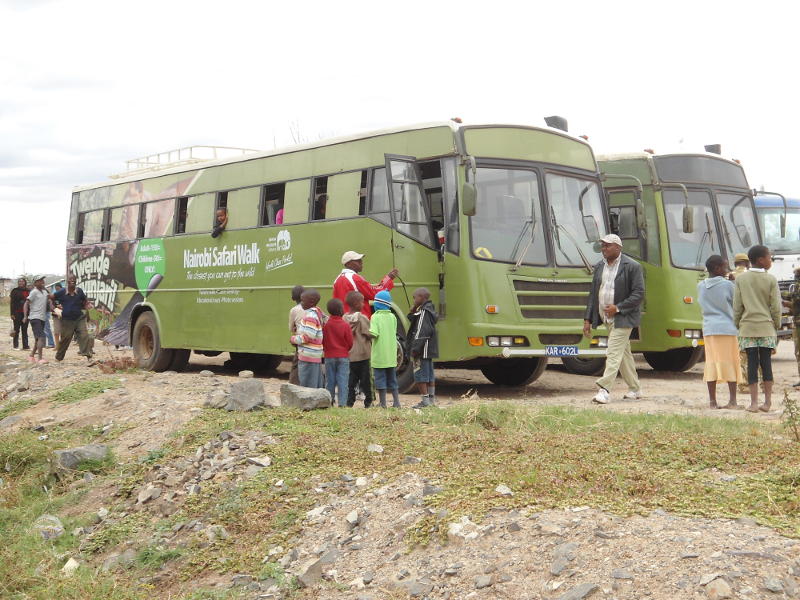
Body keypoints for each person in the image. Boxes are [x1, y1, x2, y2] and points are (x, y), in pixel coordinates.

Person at [583, 234, 645, 404]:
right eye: (602, 246)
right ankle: (635, 388)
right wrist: (587, 319)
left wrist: (618, 308)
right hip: (606, 317)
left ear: (618, 247)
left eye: (608, 246)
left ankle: (604, 390)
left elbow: (639, 294)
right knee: (624, 354)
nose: (604, 249)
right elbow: (593, 294)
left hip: (624, 318)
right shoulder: (599, 267)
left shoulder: (632, 266)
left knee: (613, 351)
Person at [733, 245, 781, 413]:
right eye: (769, 257)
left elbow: (737, 306)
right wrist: (776, 324)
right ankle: (767, 402)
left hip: (747, 328)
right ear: (761, 260)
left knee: (751, 364)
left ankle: (753, 403)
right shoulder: (771, 280)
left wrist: (738, 323)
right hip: (766, 327)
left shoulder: (741, 279)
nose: (771, 260)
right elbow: (776, 306)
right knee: (766, 364)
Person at [698, 255, 742, 409]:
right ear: (717, 269)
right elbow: (737, 303)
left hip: (709, 329)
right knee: (730, 361)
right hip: (727, 328)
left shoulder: (700, 285)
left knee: (711, 362)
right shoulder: (728, 285)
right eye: (725, 267)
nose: (727, 269)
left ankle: (712, 401)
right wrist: (733, 281)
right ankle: (732, 401)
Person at [333, 251, 398, 318]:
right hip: (358, 320)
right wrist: (389, 278)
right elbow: (375, 294)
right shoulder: (355, 278)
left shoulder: (338, 279)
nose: (361, 262)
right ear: (348, 264)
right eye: (357, 261)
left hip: (345, 319)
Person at [407, 287, 439, 409]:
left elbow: (422, 331)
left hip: (421, 350)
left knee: (420, 375)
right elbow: (412, 318)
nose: (414, 300)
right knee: (429, 375)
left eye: (414, 297)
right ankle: (431, 400)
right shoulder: (428, 310)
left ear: (421, 297)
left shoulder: (424, 312)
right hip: (428, 350)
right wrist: (413, 309)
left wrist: (415, 349)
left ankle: (425, 402)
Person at [369, 290, 400, 408]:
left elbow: (374, 334)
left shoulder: (375, 317)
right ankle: (397, 402)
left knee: (380, 379)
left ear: (377, 304)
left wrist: (364, 334)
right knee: (392, 379)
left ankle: (383, 403)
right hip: (391, 355)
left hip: (379, 356)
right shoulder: (393, 317)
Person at [289, 289, 325, 388]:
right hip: (315, 354)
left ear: (311, 302)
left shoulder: (310, 316)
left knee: (306, 383)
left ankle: (308, 401)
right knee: (315, 381)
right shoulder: (318, 313)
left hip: (308, 355)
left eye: (302, 300)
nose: (301, 303)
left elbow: (308, 337)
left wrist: (293, 339)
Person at [53, 275, 94, 362]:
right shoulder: (61, 292)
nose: (72, 281)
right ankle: (59, 357)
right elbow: (52, 298)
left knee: (84, 335)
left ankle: (88, 355)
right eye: (71, 279)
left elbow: (84, 300)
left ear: (76, 281)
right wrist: (54, 308)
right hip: (67, 320)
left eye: (74, 280)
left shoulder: (79, 291)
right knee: (66, 339)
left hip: (79, 318)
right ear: (67, 281)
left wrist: (87, 308)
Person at [344, 291, 374, 407]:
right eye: (362, 302)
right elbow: (368, 333)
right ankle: (368, 402)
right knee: (366, 380)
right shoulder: (362, 318)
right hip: (363, 355)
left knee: (351, 381)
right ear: (356, 304)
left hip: (350, 355)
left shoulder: (344, 318)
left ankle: (349, 402)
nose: (363, 304)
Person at [323, 298, 353, 407]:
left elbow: (323, 340)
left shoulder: (326, 325)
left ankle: (329, 402)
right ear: (341, 310)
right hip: (343, 356)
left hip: (329, 356)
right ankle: (342, 404)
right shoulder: (345, 325)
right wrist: (345, 350)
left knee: (330, 381)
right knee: (343, 381)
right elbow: (350, 342)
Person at [23, 276, 51, 364]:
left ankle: (31, 356)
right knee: (41, 337)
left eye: (43, 281)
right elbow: (26, 303)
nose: (42, 282)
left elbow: (49, 301)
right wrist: (25, 316)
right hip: (35, 317)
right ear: (35, 283)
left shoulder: (44, 292)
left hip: (42, 318)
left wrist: (54, 308)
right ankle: (40, 358)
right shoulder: (34, 292)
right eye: (40, 281)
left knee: (37, 338)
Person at [288, 284, 305, 385]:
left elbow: (291, 328)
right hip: (314, 341)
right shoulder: (315, 308)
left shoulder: (294, 310)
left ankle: (293, 384)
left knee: (296, 364)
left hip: (300, 341)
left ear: (292, 298)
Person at [786, 267, 800, 387]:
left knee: (798, 352)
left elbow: (795, 305)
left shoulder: (796, 288)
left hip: (798, 324)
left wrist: (786, 304)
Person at [10, 277, 29, 350]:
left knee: (25, 330)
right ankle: (15, 346)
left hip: (26, 314)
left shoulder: (28, 291)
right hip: (17, 313)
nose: (21, 282)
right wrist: (12, 314)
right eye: (19, 281)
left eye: (22, 281)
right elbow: (12, 303)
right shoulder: (15, 291)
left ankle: (25, 346)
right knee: (16, 330)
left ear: (25, 282)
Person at [50, 283, 63, 348]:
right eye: (56, 289)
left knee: (63, 332)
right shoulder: (54, 297)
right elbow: (51, 306)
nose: (57, 291)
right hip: (55, 315)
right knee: (56, 331)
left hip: (64, 316)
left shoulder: (65, 296)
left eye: (58, 289)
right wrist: (54, 309)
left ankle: (62, 345)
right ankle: (57, 345)